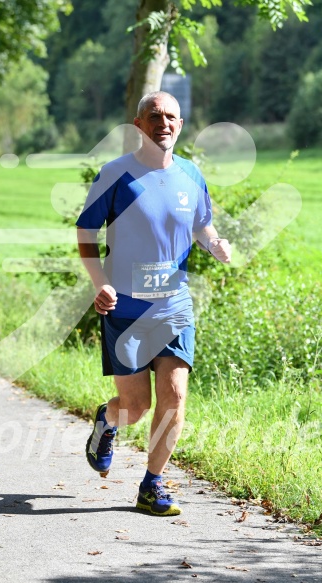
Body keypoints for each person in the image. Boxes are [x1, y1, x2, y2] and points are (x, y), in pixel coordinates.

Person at [76, 91, 231, 516]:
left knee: (175, 396)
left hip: (173, 306)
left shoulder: (190, 174)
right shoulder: (115, 174)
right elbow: (86, 236)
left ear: (181, 125)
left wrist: (215, 243)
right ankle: (107, 422)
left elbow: (203, 224)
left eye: (172, 117)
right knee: (135, 407)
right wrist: (99, 283)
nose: (164, 122)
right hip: (124, 308)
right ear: (139, 124)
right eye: (155, 115)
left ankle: (153, 484)